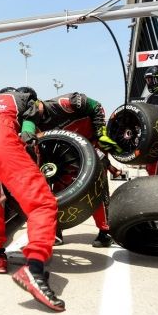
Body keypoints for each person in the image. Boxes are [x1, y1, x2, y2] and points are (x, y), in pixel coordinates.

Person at [0, 86, 65, 312]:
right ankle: (34, 269)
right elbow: (28, 131)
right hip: (1, 146)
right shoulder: (24, 97)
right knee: (42, 204)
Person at [29, 88, 121, 247]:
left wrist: (99, 133)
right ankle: (56, 231)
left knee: (97, 188)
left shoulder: (64, 102)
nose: (30, 114)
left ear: (37, 102)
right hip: (64, 154)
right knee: (57, 192)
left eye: (31, 108)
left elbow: (96, 106)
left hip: (92, 144)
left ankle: (105, 232)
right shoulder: (31, 123)